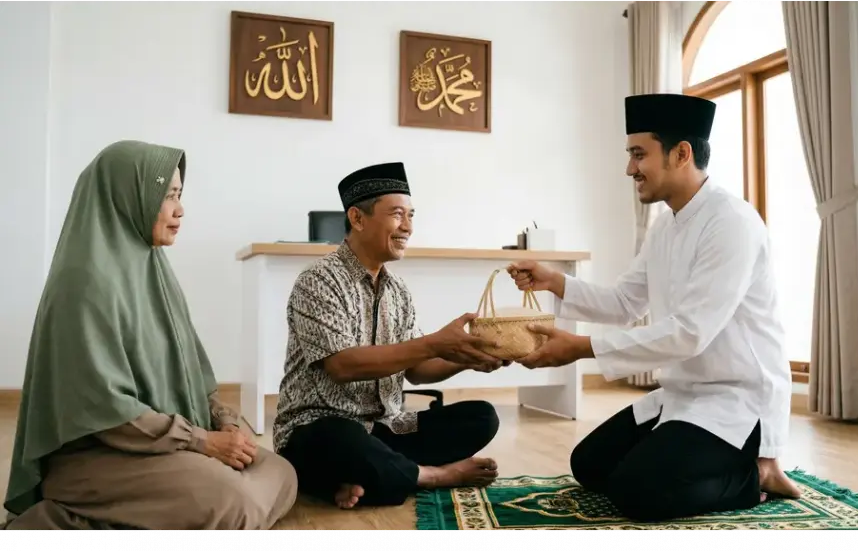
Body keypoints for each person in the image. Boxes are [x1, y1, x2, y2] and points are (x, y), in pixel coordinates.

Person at [506, 93, 802, 522]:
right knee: (588, 465)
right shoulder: (666, 224)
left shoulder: (732, 222)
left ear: (681, 154)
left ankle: (755, 474)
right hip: (683, 394)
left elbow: (689, 332)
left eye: (638, 154)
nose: (630, 169)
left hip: (737, 401)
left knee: (638, 491)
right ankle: (696, 462)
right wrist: (555, 280)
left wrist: (580, 347)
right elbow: (626, 302)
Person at [2, 140, 298, 531]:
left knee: (281, 473)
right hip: (99, 456)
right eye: (168, 195)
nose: (180, 209)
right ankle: (60, 519)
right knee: (236, 502)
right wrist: (202, 443)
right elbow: (106, 413)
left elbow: (191, 371)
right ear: (128, 196)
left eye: (180, 195)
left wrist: (223, 423)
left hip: (164, 445)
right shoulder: (84, 284)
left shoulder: (153, 270)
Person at [273, 162, 504, 510]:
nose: (408, 227)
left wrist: (467, 358)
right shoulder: (318, 280)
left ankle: (364, 478)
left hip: (387, 428)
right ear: (358, 217)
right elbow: (343, 366)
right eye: (397, 215)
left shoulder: (398, 290)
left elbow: (416, 369)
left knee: (482, 417)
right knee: (342, 440)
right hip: (319, 428)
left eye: (411, 215)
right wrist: (435, 343)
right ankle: (434, 476)